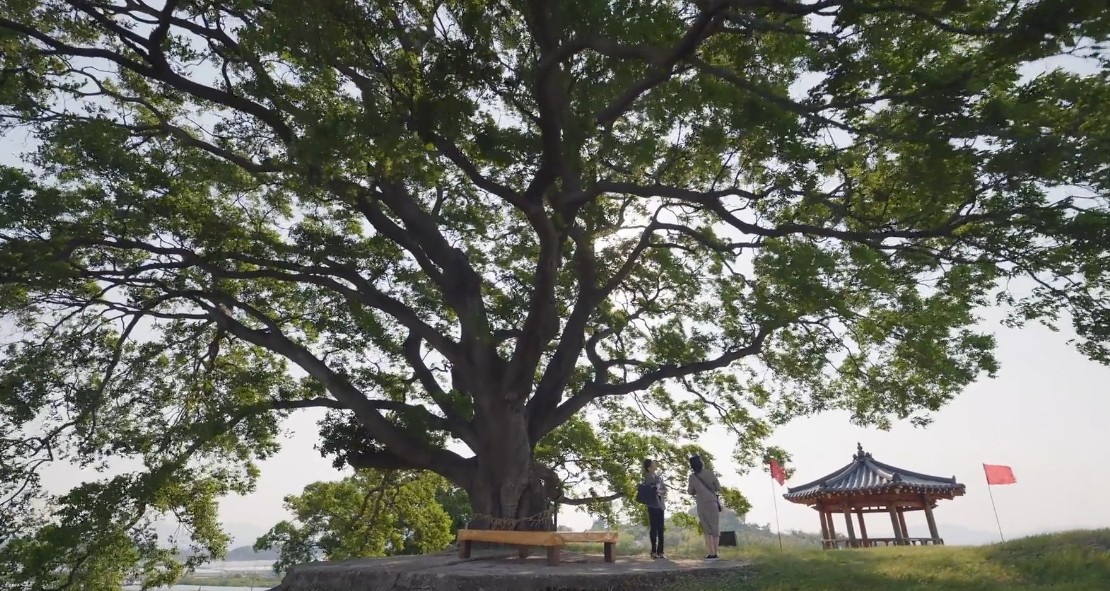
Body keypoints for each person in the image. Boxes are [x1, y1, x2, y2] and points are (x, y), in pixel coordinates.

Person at [687, 454, 721, 560]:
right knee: (715, 528)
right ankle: (716, 552)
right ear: (701, 463)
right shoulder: (710, 474)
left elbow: (690, 491)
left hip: (702, 504)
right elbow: (718, 487)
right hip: (712, 502)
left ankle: (711, 553)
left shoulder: (692, 477)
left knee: (707, 529)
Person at [642, 459, 668, 559]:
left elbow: (664, 489)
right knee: (654, 528)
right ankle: (653, 551)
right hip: (652, 505)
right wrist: (658, 490)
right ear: (649, 468)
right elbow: (650, 488)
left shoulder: (658, 477)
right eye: (653, 464)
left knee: (661, 528)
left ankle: (661, 551)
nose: (655, 465)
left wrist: (660, 491)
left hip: (660, 505)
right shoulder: (646, 476)